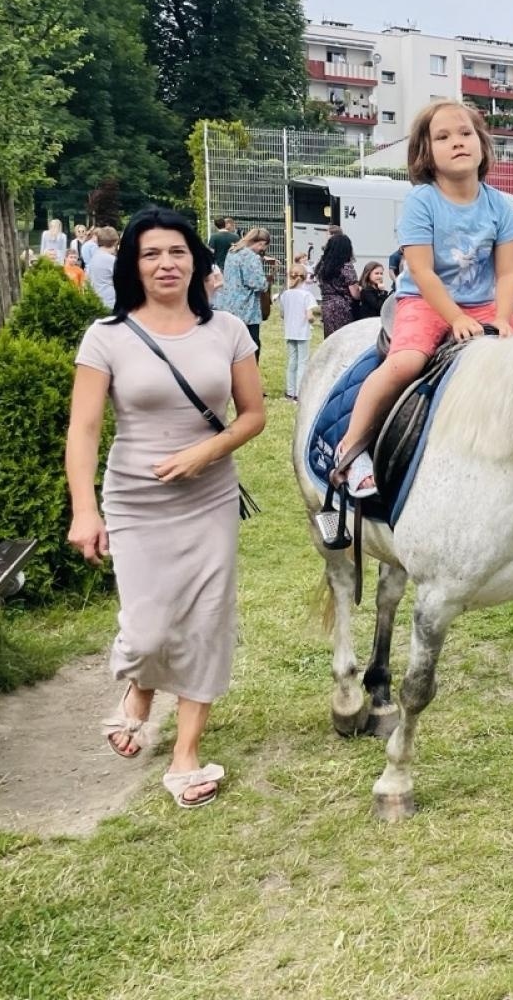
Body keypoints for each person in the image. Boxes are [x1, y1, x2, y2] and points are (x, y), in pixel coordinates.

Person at [65, 207, 266, 809]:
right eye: (151, 253)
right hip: (135, 498)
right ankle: (140, 689)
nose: (166, 264)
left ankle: (186, 753)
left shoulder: (227, 329)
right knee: (148, 627)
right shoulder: (107, 336)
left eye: (177, 252)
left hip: (209, 496)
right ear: (133, 264)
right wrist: (84, 510)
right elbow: (83, 429)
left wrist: (206, 452)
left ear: (196, 260)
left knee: (206, 620)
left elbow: (254, 415)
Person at [335, 101, 513, 499]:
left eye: (465, 133)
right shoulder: (422, 202)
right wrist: (454, 317)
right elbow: (422, 271)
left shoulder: (499, 205)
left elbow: (509, 273)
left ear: (482, 144)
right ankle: (352, 450)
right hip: (425, 301)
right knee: (404, 363)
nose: (457, 142)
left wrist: (504, 317)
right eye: (443, 137)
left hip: (485, 304)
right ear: (426, 153)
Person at [216, 226, 273, 359]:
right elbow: (258, 283)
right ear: (262, 243)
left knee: (232, 345)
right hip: (247, 310)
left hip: (229, 305)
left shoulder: (233, 251)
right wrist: (266, 282)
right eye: (264, 247)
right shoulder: (251, 257)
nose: (262, 250)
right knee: (251, 345)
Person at [279, 265, 319, 400]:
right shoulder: (307, 295)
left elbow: (282, 314)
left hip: (289, 331)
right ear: (305, 277)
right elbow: (310, 316)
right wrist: (313, 320)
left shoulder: (285, 295)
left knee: (292, 361)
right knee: (303, 362)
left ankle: (290, 391)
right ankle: (299, 392)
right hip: (302, 332)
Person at [317, 232, 361, 338]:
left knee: (331, 339)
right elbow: (355, 294)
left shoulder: (322, 266)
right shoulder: (346, 267)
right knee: (343, 338)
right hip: (343, 307)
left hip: (326, 306)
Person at [87, 227, 119, 309]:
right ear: (115, 242)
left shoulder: (94, 257)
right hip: (111, 302)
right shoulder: (111, 260)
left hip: (97, 301)